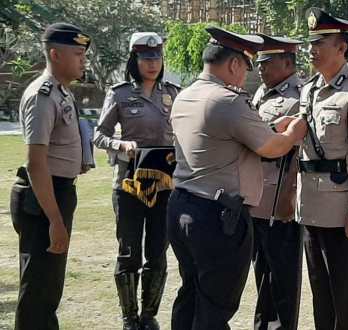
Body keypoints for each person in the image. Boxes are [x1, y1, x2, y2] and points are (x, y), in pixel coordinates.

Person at [166, 27, 307, 330]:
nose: (246, 75)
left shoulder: (185, 96)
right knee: (216, 305)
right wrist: (293, 133)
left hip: (182, 206)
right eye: (245, 66)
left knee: (190, 294)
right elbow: (271, 147)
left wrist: (269, 126)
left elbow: (221, 138)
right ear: (233, 64)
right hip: (217, 217)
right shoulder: (228, 100)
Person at [297, 7, 348, 330]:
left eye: (321, 43)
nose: (312, 50)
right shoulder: (309, 90)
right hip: (310, 206)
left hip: (340, 208)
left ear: (341, 47)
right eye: (311, 43)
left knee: (345, 292)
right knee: (320, 290)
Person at [94, 32, 179, 330]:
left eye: (157, 58)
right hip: (128, 184)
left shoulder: (173, 92)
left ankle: (149, 315)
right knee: (129, 250)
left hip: (164, 185)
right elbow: (98, 135)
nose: (153, 64)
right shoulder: (119, 94)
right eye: (146, 58)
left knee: (157, 251)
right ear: (135, 60)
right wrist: (120, 144)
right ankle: (129, 316)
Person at [9, 22, 91, 330]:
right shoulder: (42, 95)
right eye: (78, 54)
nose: (83, 60)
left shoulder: (61, 92)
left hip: (57, 191)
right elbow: (36, 164)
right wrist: (54, 220)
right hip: (43, 198)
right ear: (55, 55)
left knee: (49, 287)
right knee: (38, 290)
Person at [250, 34, 304, 330]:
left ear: (287, 63)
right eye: (259, 63)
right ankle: (263, 324)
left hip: (281, 201)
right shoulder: (261, 93)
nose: (261, 69)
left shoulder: (299, 96)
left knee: (283, 277)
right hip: (257, 199)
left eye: (268, 62)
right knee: (262, 274)